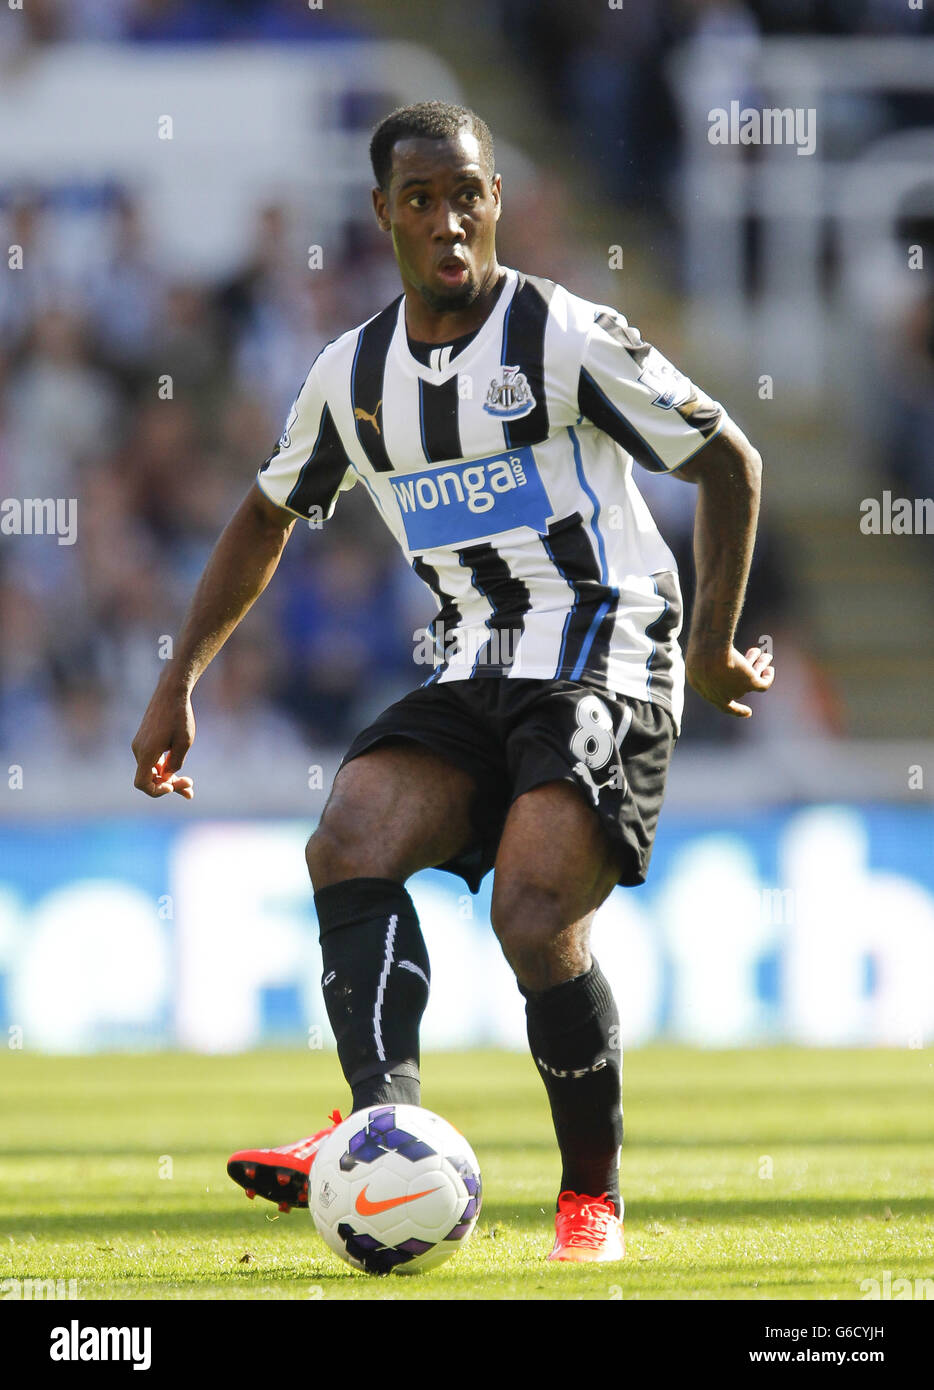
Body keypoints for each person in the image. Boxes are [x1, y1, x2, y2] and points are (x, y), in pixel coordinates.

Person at [131, 101, 774, 1264]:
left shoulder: (563, 335)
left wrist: (716, 642)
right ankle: (384, 1127)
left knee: (529, 912)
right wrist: (178, 677)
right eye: (420, 198)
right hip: (477, 656)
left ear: (495, 201)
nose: (448, 220)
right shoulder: (353, 375)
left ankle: (591, 1199)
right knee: (350, 834)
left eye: (467, 194)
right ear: (381, 214)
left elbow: (728, 457)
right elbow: (264, 515)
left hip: (609, 651)